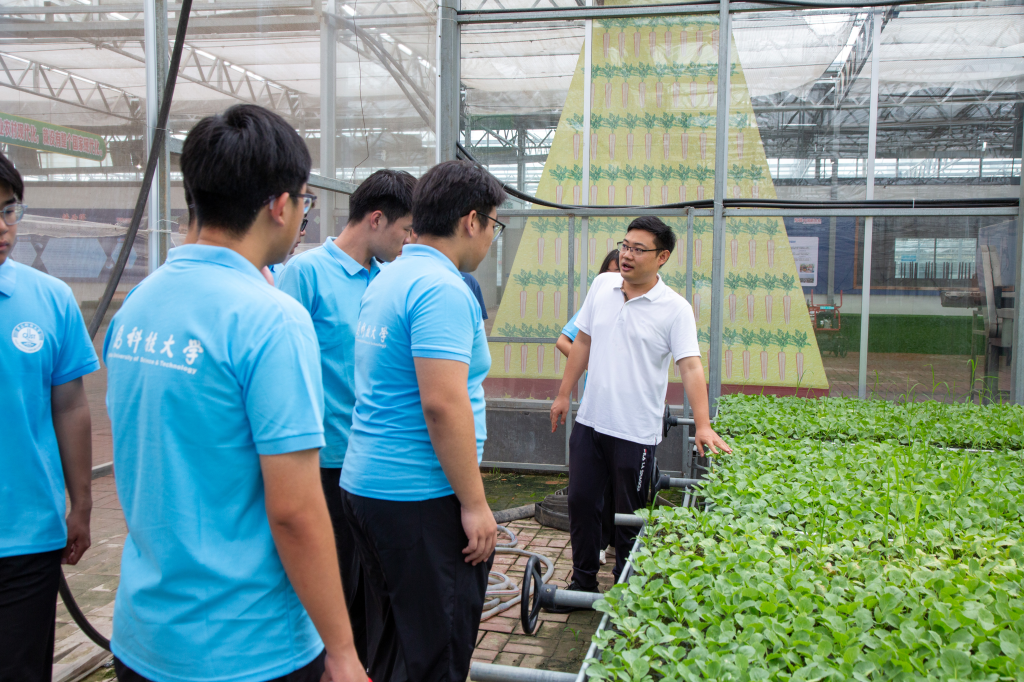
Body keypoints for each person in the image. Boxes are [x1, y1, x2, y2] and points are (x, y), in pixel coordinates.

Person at [104, 104, 365, 682]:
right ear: (280, 205)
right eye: (305, 202)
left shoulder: (138, 305)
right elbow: (295, 512)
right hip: (248, 647)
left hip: (144, 637)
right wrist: (342, 649)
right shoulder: (272, 320)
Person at [340, 160, 504, 682]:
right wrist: (475, 504)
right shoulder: (441, 289)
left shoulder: (390, 277)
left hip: (369, 486)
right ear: (472, 221)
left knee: (394, 642)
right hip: (419, 497)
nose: (492, 238)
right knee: (435, 654)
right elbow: (442, 404)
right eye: (495, 225)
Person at [276, 168, 416, 667]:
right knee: (327, 582)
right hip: (322, 461)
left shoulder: (389, 280)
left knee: (370, 587)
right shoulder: (305, 274)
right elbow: (281, 367)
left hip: (372, 462)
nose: (408, 242)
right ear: (376, 219)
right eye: (405, 230)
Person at [550, 216, 731, 598]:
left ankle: (625, 591)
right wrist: (564, 394)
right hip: (590, 422)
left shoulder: (675, 309)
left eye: (638, 249)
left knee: (629, 514)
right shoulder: (602, 286)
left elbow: (690, 366)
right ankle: (582, 583)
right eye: (625, 246)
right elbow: (582, 341)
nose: (627, 255)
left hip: (635, 432)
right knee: (581, 502)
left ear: (662, 257)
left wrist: (702, 424)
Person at [0, 151, 99, 682]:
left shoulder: (50, 299)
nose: (3, 227)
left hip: (27, 537)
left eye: (9, 210)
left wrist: (81, 504)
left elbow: (70, 404)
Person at [554, 248, 618, 568]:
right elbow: (567, 340)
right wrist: (589, 363)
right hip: (596, 408)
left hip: (629, 414)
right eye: (610, 271)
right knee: (592, 486)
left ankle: (619, 545)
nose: (616, 277)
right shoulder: (597, 302)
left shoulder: (655, 305)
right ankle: (597, 549)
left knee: (620, 486)